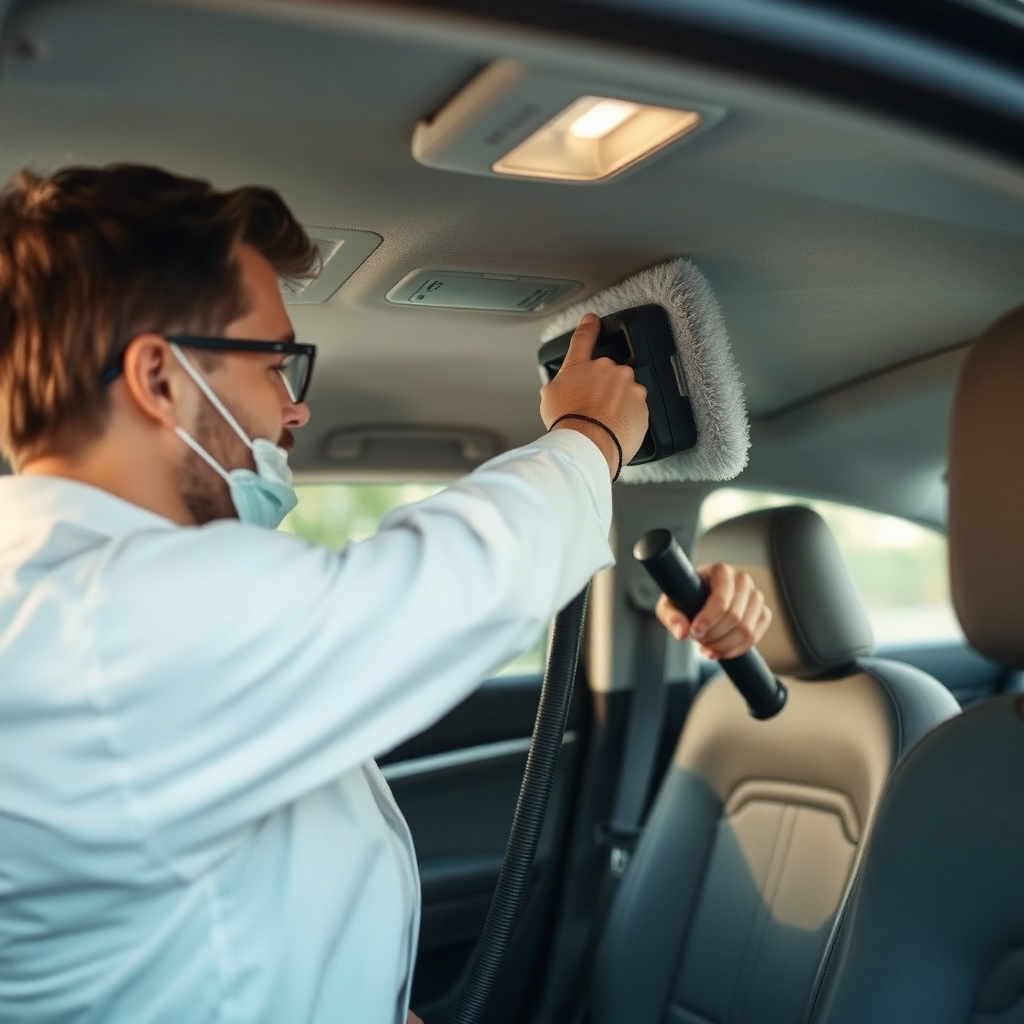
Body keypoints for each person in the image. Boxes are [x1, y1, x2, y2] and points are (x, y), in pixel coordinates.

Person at [0, 164, 770, 1024]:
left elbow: (228, 912)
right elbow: (449, 586)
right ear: (159, 378)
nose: (293, 413)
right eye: (275, 365)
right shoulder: (94, 620)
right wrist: (589, 436)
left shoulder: (94, 597)